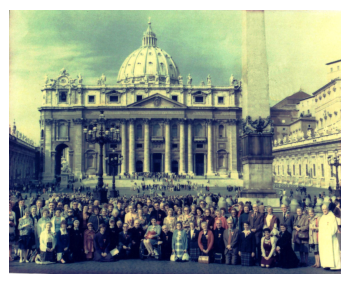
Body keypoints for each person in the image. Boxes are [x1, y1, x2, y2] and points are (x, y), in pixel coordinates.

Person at [318, 204, 341, 270]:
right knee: (325, 252)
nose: (324, 211)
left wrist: (328, 234)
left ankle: (334, 266)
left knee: (333, 252)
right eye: (323, 210)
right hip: (324, 239)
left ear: (328, 209)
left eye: (325, 209)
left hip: (331, 238)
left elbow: (334, 227)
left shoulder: (332, 216)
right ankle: (326, 265)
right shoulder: (322, 217)